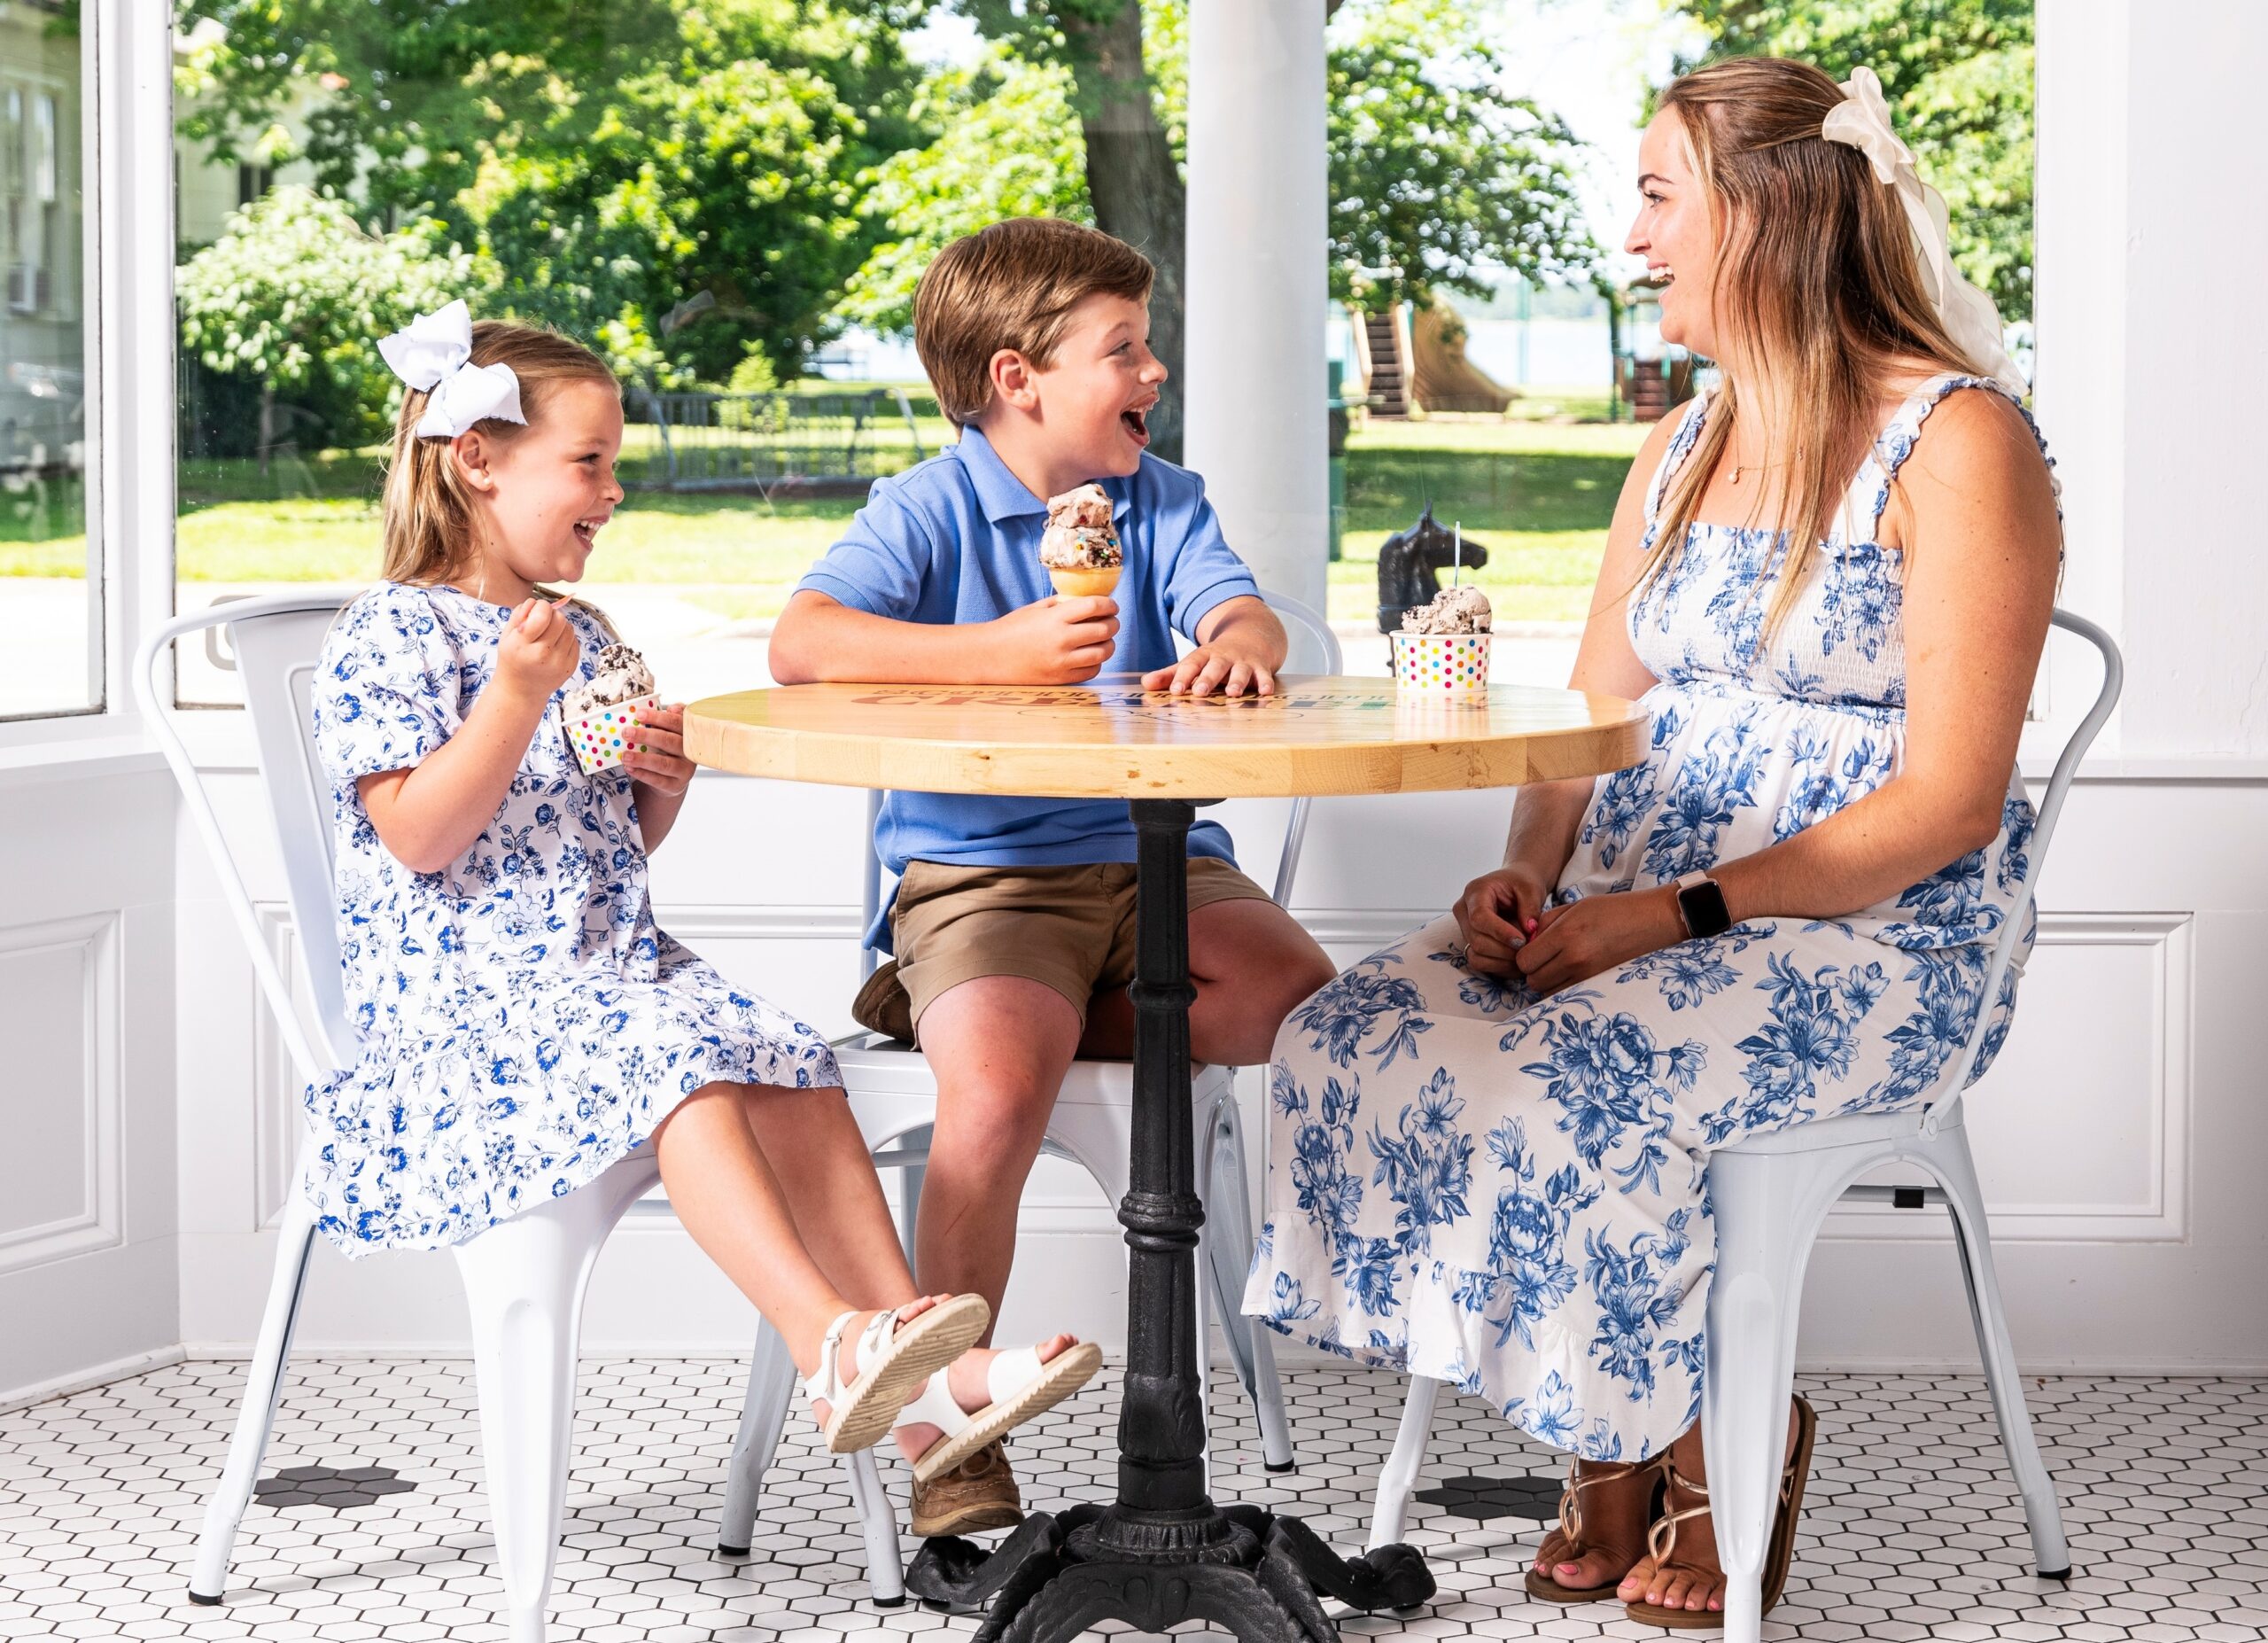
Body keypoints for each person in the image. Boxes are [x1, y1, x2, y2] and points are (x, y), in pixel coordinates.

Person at [1244, 58, 2062, 1625]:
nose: (1631, 237)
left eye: (1658, 197)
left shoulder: (1962, 444)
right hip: (1633, 904)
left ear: (1766, 215)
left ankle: (1682, 1445)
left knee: (1577, 1069)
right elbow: (1601, 711)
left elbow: (1953, 801)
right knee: (1348, 1030)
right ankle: (1610, 1411)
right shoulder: (1682, 446)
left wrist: (1669, 914)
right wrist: (1528, 875)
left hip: (1877, 937)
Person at [307, 301, 1099, 1491]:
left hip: (599, 981)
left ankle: (930, 1413)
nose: (613, 489)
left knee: (789, 1056)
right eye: (589, 461)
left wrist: (657, 791)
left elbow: (597, 850)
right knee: (682, 1056)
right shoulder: (393, 632)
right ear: (476, 460)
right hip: (464, 1023)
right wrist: (514, 698)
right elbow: (421, 837)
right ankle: (833, 1343)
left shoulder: (580, 633)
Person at [769, 218, 1339, 1535]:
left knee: (1297, 1001)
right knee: (994, 1101)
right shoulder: (926, 508)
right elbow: (804, 640)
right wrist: (998, 652)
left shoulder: (1162, 500)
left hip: (1158, 862)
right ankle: (950, 1433)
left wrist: (1238, 645)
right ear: (1017, 378)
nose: (1154, 371)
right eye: (1123, 349)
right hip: (987, 878)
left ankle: (1000, 1005)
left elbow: (1239, 606)